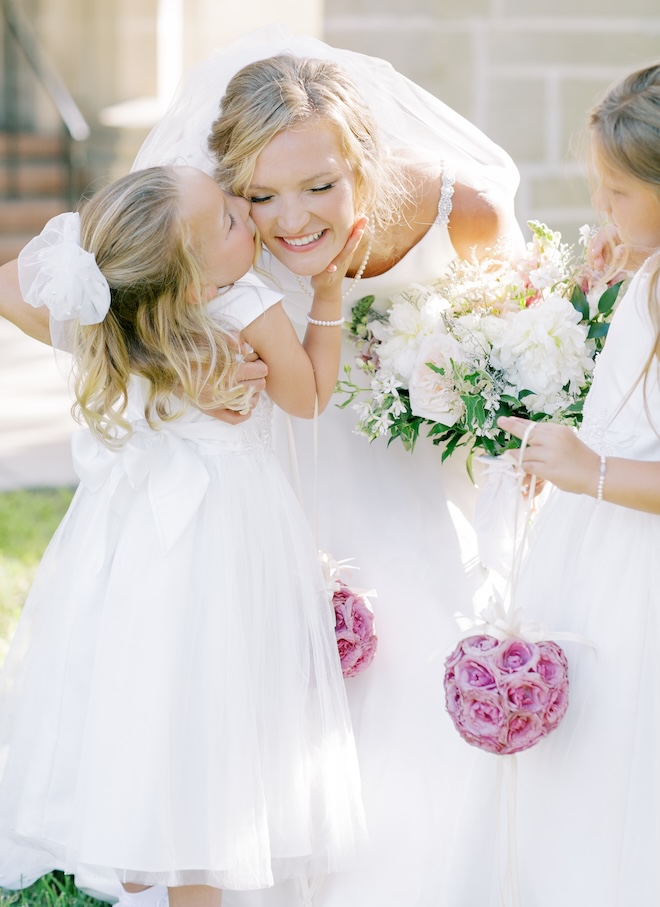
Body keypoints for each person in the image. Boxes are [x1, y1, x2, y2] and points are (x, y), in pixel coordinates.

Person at [129, 27, 526, 907]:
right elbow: (86, 302)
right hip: (285, 472)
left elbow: (522, 369)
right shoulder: (215, 233)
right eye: (262, 196)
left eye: (321, 185)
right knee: (273, 673)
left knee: (426, 652)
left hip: (423, 470)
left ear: (366, 164)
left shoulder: (461, 208)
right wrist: (181, 361)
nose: (295, 220)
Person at [0, 164, 369, 907]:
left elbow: (11, 283)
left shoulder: (124, 312)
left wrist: (154, 356)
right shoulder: (250, 302)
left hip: (139, 537)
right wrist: (328, 299)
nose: (244, 208)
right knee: (216, 698)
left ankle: (137, 838)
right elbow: (307, 396)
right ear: (195, 284)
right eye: (232, 219)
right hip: (226, 528)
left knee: (149, 683)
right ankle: (183, 859)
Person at [439, 62, 660, 905]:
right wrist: (616, 282)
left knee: (619, 754)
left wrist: (586, 467)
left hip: (634, 559)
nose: (600, 208)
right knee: (591, 758)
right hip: (603, 541)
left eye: (616, 193)